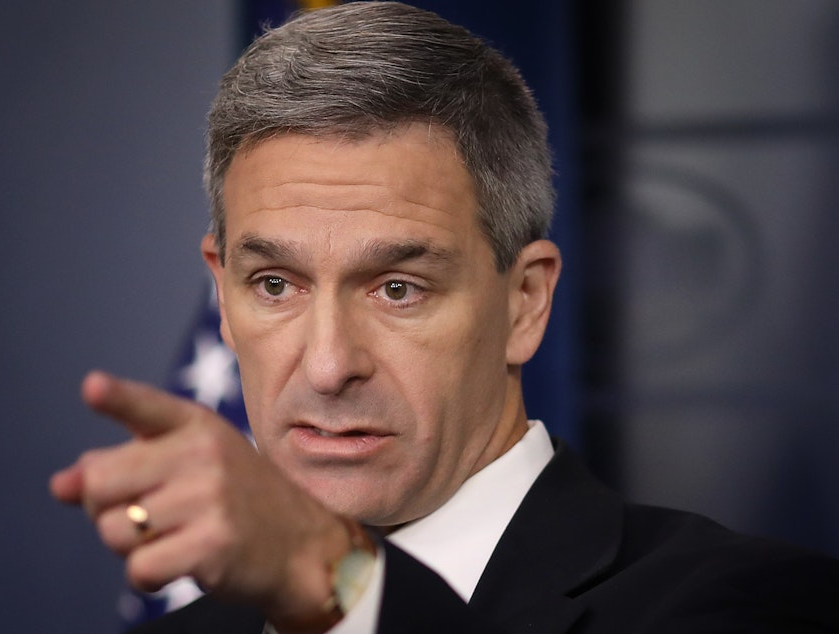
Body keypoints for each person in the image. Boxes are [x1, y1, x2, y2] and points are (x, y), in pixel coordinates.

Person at [50, 3, 839, 633]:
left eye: (398, 288)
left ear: (524, 302)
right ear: (222, 294)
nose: (326, 367)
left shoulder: (752, 603)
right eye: (276, 285)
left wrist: (337, 585)